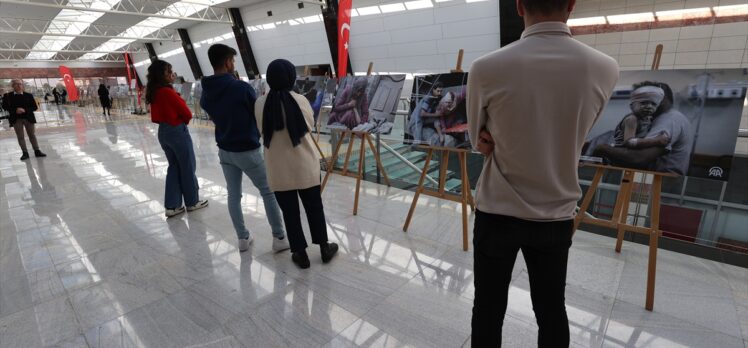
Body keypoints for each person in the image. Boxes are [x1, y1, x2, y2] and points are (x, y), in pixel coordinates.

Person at [466, 0, 619, 346]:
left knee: (488, 308)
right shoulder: (605, 67)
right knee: (551, 310)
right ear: (571, 5)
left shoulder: (486, 67)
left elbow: (479, 139)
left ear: (519, 6)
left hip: (497, 212)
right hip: (556, 212)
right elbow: (581, 130)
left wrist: (496, 138)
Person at [200, 43, 290, 253]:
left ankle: (243, 238)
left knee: (233, 195)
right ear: (227, 62)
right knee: (268, 192)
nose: (233, 65)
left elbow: (212, 112)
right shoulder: (240, 88)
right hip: (248, 150)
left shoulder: (207, 91)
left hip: (225, 150)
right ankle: (279, 237)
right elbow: (258, 111)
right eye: (232, 61)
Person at [255, 58, 338, 269]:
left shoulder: (260, 103)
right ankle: (324, 248)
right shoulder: (300, 100)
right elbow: (309, 124)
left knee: (290, 213)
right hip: (305, 166)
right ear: (291, 77)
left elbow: (260, 129)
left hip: (278, 170)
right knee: (314, 208)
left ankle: (300, 254)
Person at [146, 59, 208, 218]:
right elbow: (186, 113)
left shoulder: (155, 91)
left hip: (164, 131)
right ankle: (192, 201)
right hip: (177, 131)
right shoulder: (167, 91)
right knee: (187, 166)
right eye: (169, 71)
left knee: (174, 167)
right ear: (162, 75)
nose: (172, 74)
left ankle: (172, 206)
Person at [593, 81, 693, 175]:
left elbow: (639, 158)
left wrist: (604, 148)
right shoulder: (643, 119)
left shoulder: (669, 120)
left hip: (664, 179)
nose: (648, 106)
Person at [2, 79, 47, 161]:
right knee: (20, 136)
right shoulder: (7, 96)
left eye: (20, 84)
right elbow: (5, 106)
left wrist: (25, 110)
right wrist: (15, 110)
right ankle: (25, 153)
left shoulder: (28, 95)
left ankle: (37, 151)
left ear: (22, 85)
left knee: (32, 135)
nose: (19, 86)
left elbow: (34, 107)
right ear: (13, 86)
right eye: (16, 84)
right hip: (16, 119)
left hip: (28, 118)